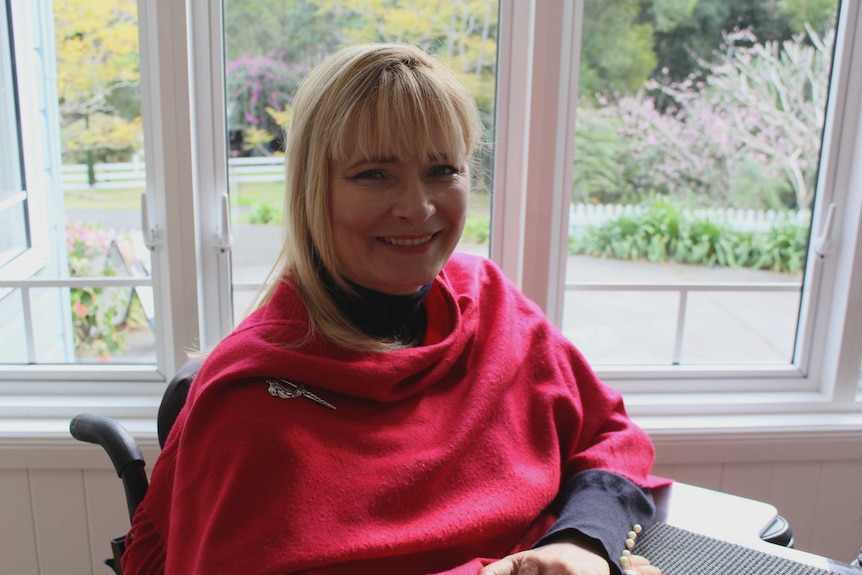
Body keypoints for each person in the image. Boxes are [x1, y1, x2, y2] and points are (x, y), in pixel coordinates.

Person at [121, 43, 670, 575]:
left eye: (442, 171)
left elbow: (609, 438)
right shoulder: (249, 406)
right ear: (314, 190)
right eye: (373, 174)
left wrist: (580, 541)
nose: (417, 207)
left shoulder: (494, 304)